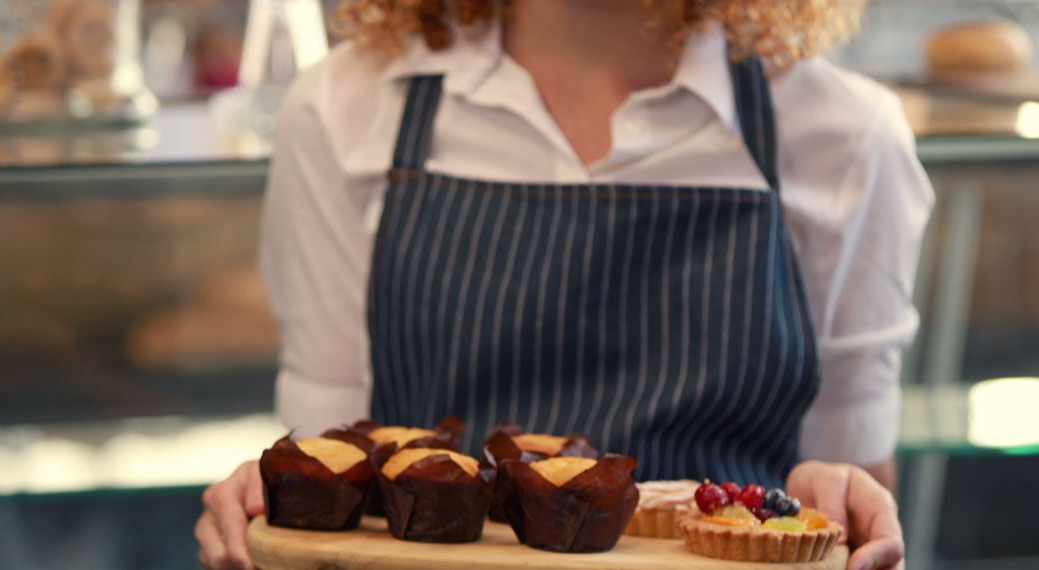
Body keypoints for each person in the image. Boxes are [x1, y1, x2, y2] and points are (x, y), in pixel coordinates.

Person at [196, 1, 933, 569]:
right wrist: (261, 502)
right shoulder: (343, 110)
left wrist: (844, 496)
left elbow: (847, 493)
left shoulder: (846, 135)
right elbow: (330, 468)